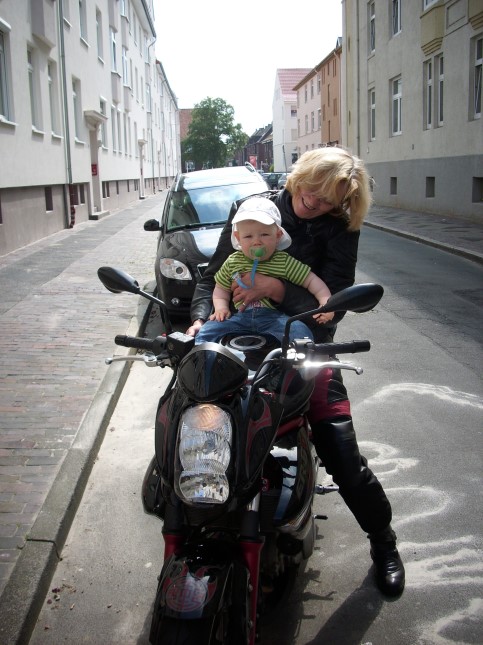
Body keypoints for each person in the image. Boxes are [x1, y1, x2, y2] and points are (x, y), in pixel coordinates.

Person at [187, 147, 405, 597]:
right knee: (194, 419)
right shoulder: (254, 207)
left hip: (303, 345)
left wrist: (277, 289)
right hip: (236, 341)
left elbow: (333, 304)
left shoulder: (340, 227)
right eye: (312, 189)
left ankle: (383, 542)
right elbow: (213, 277)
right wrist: (201, 318)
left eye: (328, 199)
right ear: (299, 176)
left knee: (342, 453)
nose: (316, 201)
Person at [195, 197, 334, 346]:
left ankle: (297, 361)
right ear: (238, 238)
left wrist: (326, 303)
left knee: (301, 333)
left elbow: (311, 281)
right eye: (248, 236)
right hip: (240, 317)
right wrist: (221, 308)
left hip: (274, 318)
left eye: (264, 235)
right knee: (206, 332)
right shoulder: (232, 261)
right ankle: (202, 361)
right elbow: (220, 289)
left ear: (278, 236)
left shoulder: (283, 261)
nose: (257, 241)